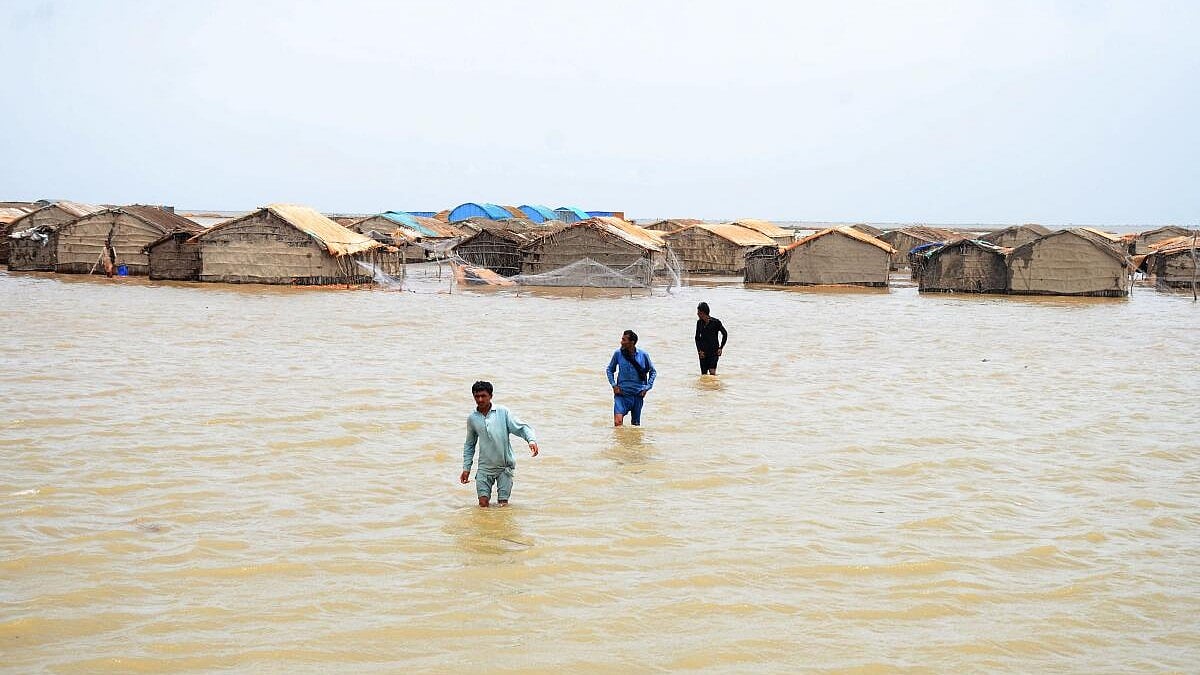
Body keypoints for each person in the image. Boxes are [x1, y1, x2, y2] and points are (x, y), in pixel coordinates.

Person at [460, 381, 539, 508]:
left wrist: (531, 440)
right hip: (484, 468)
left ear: (491, 396)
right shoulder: (472, 418)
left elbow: (520, 427)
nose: (480, 399)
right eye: (476, 396)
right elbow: (469, 445)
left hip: (504, 467)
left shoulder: (503, 412)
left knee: (503, 506)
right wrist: (466, 468)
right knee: (483, 505)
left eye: (483, 396)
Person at [606, 329, 657, 427]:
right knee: (618, 423)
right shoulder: (618, 354)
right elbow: (609, 370)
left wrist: (647, 388)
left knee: (635, 426)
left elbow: (653, 372)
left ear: (632, 342)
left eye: (624, 340)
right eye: (622, 339)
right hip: (622, 394)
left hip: (637, 395)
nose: (621, 342)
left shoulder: (643, 355)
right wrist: (614, 385)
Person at [695, 302, 728, 375]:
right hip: (703, 353)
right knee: (704, 375)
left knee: (712, 373)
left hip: (714, 352)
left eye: (699, 312)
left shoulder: (716, 322)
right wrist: (699, 351)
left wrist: (721, 348)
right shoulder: (699, 323)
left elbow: (725, 334)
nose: (697, 314)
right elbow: (697, 338)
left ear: (703, 313)